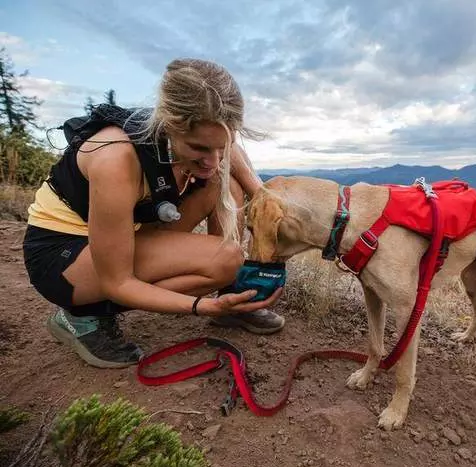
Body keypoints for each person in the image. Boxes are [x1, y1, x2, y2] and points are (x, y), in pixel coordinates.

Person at [22, 58, 285, 369]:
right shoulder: (115, 158)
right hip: (61, 257)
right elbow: (118, 282)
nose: (213, 160)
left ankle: (232, 298)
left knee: (226, 181)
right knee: (226, 260)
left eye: (222, 146)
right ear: (169, 124)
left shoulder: (193, 138)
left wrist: (265, 199)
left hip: (122, 234)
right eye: (199, 148)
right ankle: (81, 316)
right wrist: (202, 306)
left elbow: (230, 157)